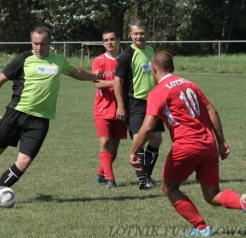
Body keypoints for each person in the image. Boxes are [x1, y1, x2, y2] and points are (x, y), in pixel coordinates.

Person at [129, 51, 246, 236]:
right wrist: (221, 141)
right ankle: (242, 202)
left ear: (154, 69)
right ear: (173, 69)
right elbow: (212, 112)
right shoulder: (190, 84)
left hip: (186, 146)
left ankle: (201, 228)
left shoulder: (158, 91)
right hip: (208, 146)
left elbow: (148, 126)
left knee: (169, 187)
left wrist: (134, 151)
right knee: (212, 195)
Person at [0, 25, 101, 202]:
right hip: (16, 113)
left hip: (40, 121)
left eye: (43, 44)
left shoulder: (58, 60)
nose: (39, 48)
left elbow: (76, 72)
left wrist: (93, 76)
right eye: (35, 44)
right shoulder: (23, 59)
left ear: (50, 43)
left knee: (24, 161)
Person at [114, 20, 165, 189]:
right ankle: (141, 178)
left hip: (154, 101)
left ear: (147, 33)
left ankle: (147, 175)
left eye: (142, 33)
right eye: (135, 33)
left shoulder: (151, 51)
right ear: (130, 35)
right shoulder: (126, 55)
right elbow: (117, 81)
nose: (139, 36)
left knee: (156, 139)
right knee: (139, 140)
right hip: (135, 103)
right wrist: (121, 106)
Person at [92, 29, 127, 188]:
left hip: (122, 108)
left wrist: (112, 82)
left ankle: (100, 174)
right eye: (106, 40)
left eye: (112, 39)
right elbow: (98, 83)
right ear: (102, 43)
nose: (109, 43)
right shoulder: (98, 60)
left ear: (119, 40)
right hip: (103, 108)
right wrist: (118, 81)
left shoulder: (126, 59)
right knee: (105, 142)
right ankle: (110, 179)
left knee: (114, 147)